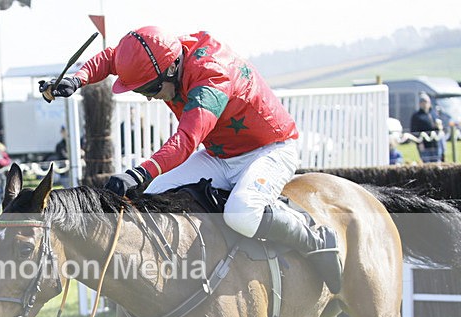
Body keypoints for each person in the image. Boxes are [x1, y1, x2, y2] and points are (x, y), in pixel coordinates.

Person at [41, 26, 343, 293]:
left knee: (242, 213)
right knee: (150, 195)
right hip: (220, 154)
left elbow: (185, 141)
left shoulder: (211, 76)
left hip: (269, 149)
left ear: (171, 70)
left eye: (149, 88)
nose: (148, 97)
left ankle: (314, 238)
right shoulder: (160, 51)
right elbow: (111, 58)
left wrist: (138, 173)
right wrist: (77, 79)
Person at [410, 93, 443, 163]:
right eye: (422, 102)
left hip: (435, 143)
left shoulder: (434, 113)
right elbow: (414, 131)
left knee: (437, 163)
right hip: (424, 145)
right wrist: (419, 143)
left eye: (426, 102)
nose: (424, 104)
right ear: (419, 104)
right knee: (427, 165)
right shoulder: (416, 116)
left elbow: (440, 128)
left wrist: (438, 126)